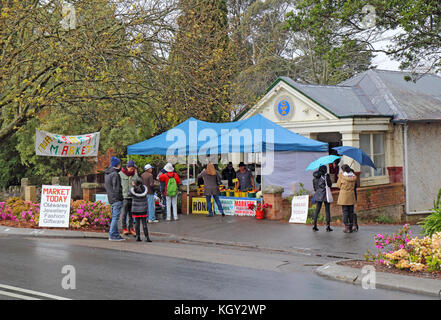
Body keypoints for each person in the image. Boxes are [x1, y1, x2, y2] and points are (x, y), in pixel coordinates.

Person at [104, 157, 125, 241]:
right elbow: (116, 188)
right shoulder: (115, 174)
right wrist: (120, 198)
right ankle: (112, 235)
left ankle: (115, 234)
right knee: (115, 218)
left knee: (114, 217)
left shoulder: (107, 173)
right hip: (116, 199)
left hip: (110, 198)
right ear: (118, 164)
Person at [119, 159, 139, 236]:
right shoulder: (120, 174)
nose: (132, 169)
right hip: (124, 197)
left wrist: (136, 186)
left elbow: (139, 186)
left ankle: (131, 228)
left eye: (133, 168)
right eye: (131, 168)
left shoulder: (135, 175)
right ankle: (124, 228)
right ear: (127, 167)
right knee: (124, 214)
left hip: (133, 197)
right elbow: (118, 186)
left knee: (132, 215)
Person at [129, 178, 152, 242]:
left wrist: (133, 186)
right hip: (143, 209)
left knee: (137, 223)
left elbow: (129, 194)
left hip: (135, 209)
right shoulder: (144, 189)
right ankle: (147, 237)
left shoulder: (133, 189)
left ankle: (138, 237)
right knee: (144, 223)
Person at [337, 164, 358, 233]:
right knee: (351, 211)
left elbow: (338, 185)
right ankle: (351, 226)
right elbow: (356, 185)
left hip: (344, 196)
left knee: (345, 211)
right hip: (351, 195)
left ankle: (347, 227)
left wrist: (340, 177)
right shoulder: (353, 176)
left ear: (343, 170)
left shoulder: (342, 176)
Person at [312, 165, 333, 232]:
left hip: (318, 195)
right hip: (325, 195)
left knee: (317, 210)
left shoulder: (314, 178)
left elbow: (315, 188)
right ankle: (328, 226)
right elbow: (330, 184)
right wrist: (328, 177)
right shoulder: (326, 176)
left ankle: (314, 225)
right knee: (327, 210)